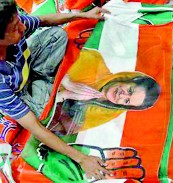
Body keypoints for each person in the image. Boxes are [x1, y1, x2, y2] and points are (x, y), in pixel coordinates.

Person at [0, 0, 111, 180]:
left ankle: (50, 83)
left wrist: (82, 15)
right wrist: (81, 159)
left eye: (19, 21)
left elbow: (43, 20)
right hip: (20, 92)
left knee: (56, 35)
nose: (22, 26)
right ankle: (53, 88)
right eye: (14, 28)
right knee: (43, 115)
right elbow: (33, 126)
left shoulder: (15, 25)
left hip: (27, 67)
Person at [47, 49, 161, 135]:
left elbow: (57, 127)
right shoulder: (94, 61)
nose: (122, 95)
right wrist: (66, 81)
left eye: (127, 101)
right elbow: (49, 52)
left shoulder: (105, 113)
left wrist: (65, 95)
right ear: (129, 79)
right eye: (130, 90)